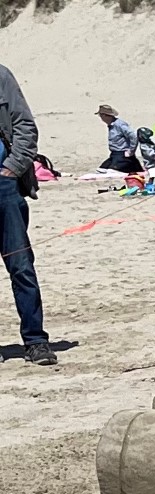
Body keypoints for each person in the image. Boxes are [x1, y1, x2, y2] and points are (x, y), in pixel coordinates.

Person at [0, 64, 52, 366]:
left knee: (21, 266)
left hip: (4, 187)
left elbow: (25, 126)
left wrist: (12, 168)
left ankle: (35, 341)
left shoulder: (2, 77)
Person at [97, 105, 139, 173]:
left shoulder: (120, 125)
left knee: (112, 171)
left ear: (105, 115)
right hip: (114, 154)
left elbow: (133, 136)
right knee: (101, 170)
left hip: (123, 154)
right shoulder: (111, 125)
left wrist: (131, 150)